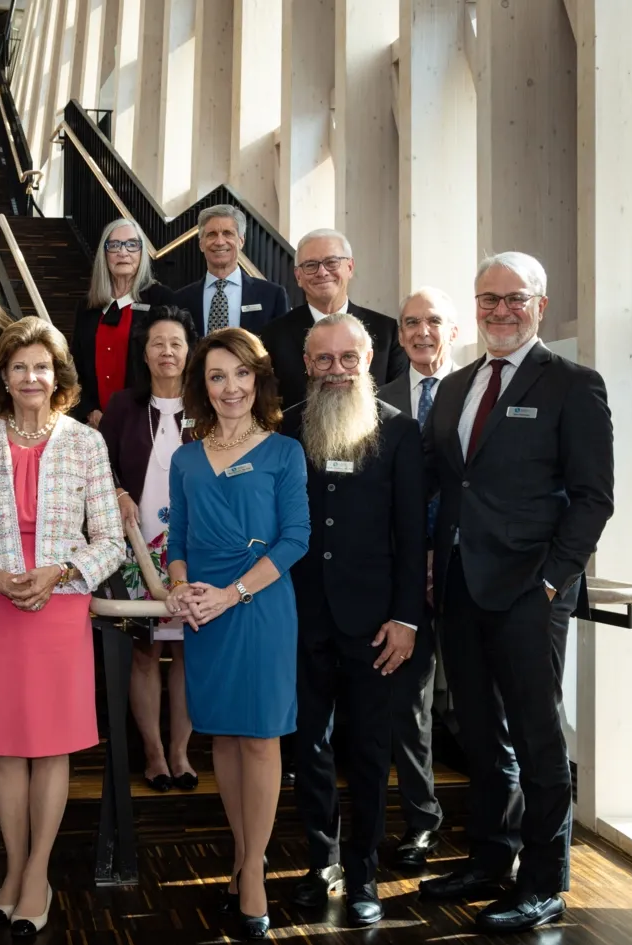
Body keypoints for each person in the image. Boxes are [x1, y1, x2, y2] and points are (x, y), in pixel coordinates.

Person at [418, 252, 614, 934]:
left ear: (541, 302)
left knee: (536, 738)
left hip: (532, 591)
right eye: (488, 299)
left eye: (515, 299)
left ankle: (543, 882)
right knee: (476, 732)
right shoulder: (456, 386)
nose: (500, 310)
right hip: (461, 587)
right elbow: (450, 487)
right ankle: (489, 858)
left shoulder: (574, 385)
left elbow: (593, 500)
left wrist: (554, 578)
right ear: (475, 305)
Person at [0, 317, 124, 939]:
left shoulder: (84, 444)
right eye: (19, 366)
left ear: (58, 375)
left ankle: (38, 876)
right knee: (3, 748)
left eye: (41, 366)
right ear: (3, 376)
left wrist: (60, 572)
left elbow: (111, 542)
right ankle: (14, 872)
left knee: (49, 747)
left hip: (59, 609)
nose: (30, 377)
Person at [163, 327, 309, 940]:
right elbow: (179, 542)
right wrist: (179, 586)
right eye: (218, 376)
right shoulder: (184, 456)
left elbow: (296, 538)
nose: (231, 388)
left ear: (259, 379)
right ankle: (242, 849)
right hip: (204, 610)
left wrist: (232, 593)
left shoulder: (283, 452)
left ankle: (253, 868)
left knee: (260, 738)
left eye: (241, 374)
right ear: (202, 385)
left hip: (260, 603)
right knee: (221, 733)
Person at [288, 313, 426, 928]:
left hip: (376, 624)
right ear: (308, 363)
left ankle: (365, 869)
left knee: (370, 749)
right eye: (325, 359)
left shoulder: (401, 434)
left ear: (369, 361)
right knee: (309, 747)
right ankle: (323, 863)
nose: (337, 370)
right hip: (300, 615)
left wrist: (406, 618)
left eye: (349, 359)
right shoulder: (287, 427)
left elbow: (411, 532)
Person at [375, 286, 461, 869]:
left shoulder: (475, 391)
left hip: (468, 570)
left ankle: (502, 827)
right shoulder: (378, 402)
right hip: (404, 576)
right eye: (410, 323)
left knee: (489, 707)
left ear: (451, 330)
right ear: (398, 335)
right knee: (408, 706)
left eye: (432, 321)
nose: (421, 332)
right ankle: (422, 820)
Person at [97, 305, 199, 792]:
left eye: (176, 343)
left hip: (194, 547)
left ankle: (181, 752)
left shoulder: (209, 403)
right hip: (137, 547)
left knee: (187, 654)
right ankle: (153, 753)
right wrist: (117, 492)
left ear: (189, 350)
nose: (166, 352)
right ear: (145, 351)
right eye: (157, 343)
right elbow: (102, 466)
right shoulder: (122, 406)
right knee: (145, 650)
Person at [259, 228, 408, 437]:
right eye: (311, 265)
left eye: (331, 262)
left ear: (350, 267)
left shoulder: (387, 333)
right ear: (298, 276)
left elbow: (397, 403)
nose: (322, 272)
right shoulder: (271, 337)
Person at [70, 218, 178, 426]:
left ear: (141, 252)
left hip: (146, 422)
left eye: (131, 244)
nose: (123, 252)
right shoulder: (87, 307)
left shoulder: (161, 300)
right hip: (94, 425)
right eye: (114, 245)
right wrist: (89, 410)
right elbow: (75, 367)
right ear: (105, 254)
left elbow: (172, 364)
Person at [171, 205, 287, 335]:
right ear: (201, 244)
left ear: (241, 241)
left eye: (227, 233)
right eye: (211, 234)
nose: (220, 242)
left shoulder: (272, 296)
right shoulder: (179, 300)